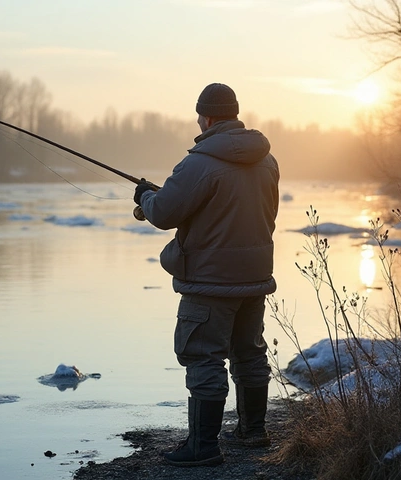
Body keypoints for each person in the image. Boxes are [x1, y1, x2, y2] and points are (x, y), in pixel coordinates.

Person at [133, 83, 279, 467]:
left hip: (210, 282)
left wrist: (145, 197)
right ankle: (252, 432)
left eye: (200, 114)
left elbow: (163, 213)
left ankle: (203, 447)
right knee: (249, 353)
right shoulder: (267, 161)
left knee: (202, 356)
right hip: (254, 276)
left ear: (207, 116)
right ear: (234, 113)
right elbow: (262, 214)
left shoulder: (198, 163)